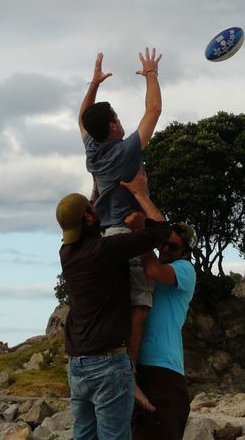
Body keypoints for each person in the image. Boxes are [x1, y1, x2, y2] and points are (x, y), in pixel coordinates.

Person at [78, 48, 163, 408]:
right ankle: (130, 378)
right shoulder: (122, 152)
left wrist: (94, 84)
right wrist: (151, 75)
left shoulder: (92, 151)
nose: (119, 120)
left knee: (116, 307)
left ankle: (114, 373)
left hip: (102, 239)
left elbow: (82, 120)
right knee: (140, 305)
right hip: (126, 235)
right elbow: (154, 112)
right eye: (115, 117)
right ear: (112, 126)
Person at [56, 179, 171, 440]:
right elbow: (161, 232)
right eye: (91, 208)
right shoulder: (103, 251)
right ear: (86, 218)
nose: (96, 209)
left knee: (83, 436)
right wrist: (140, 194)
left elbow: (89, 224)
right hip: (107, 365)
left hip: (77, 364)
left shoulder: (67, 253)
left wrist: (95, 198)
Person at [121, 170, 197, 440]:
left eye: (172, 248)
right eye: (163, 245)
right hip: (136, 369)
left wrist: (142, 233)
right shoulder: (152, 265)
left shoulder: (185, 270)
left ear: (186, 253)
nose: (164, 250)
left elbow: (152, 269)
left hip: (164, 375)